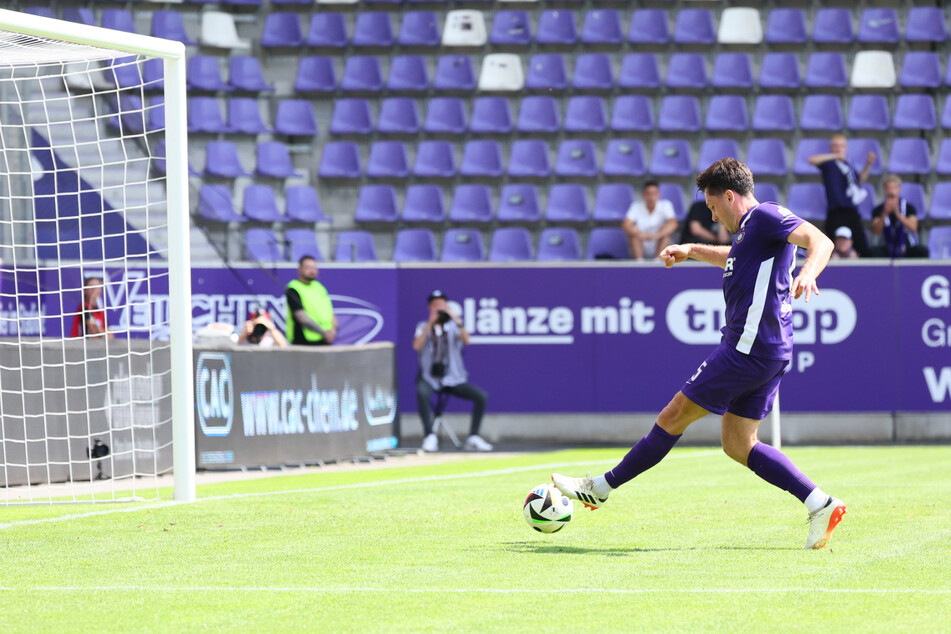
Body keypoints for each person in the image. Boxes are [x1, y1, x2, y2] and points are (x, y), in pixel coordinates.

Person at [552, 158, 847, 550]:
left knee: (673, 415)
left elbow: (820, 241)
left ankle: (601, 487)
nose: (711, 214)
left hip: (747, 348)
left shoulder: (766, 216)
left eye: (712, 206)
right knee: (738, 444)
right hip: (768, 350)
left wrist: (809, 271)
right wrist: (691, 249)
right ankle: (820, 503)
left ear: (729, 195)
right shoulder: (749, 234)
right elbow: (733, 257)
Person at [413, 290, 492, 453]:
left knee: (481, 396)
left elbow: (467, 340)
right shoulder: (422, 326)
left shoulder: (453, 327)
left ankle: (473, 437)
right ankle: (430, 436)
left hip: (453, 378)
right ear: (430, 307)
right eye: (435, 305)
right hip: (431, 378)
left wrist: (456, 319)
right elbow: (416, 346)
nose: (439, 308)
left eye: (441, 304)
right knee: (421, 392)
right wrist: (430, 324)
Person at [808, 133, 875, 257]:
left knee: (862, 247)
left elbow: (859, 181)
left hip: (851, 210)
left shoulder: (848, 164)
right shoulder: (829, 163)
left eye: (841, 146)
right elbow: (812, 160)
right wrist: (835, 156)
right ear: (831, 148)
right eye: (835, 146)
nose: (839, 149)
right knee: (830, 247)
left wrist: (868, 164)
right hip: (835, 211)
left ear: (846, 148)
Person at [870, 175, 930, 259]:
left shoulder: (908, 208)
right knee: (871, 252)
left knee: (922, 251)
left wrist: (898, 213)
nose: (891, 191)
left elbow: (913, 227)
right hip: (886, 246)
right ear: (884, 189)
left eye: (894, 187)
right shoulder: (878, 210)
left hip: (906, 246)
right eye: (888, 188)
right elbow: (876, 230)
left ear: (899, 189)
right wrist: (884, 213)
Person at [284, 255, 337, 346]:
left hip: (324, 340)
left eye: (314, 268)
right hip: (303, 341)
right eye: (308, 268)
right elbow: (301, 317)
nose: (312, 271)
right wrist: (324, 333)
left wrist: (333, 331)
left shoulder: (319, 287)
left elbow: (331, 313)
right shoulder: (293, 289)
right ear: (300, 269)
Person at [621, 181, 679, 260]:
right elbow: (626, 225)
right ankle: (639, 262)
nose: (651, 197)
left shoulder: (666, 205)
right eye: (648, 194)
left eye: (654, 194)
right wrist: (638, 233)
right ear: (644, 195)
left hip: (658, 243)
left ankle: (658, 261)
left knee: (666, 234)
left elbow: (673, 224)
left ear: (659, 194)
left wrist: (657, 235)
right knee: (633, 232)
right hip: (641, 242)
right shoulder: (636, 206)